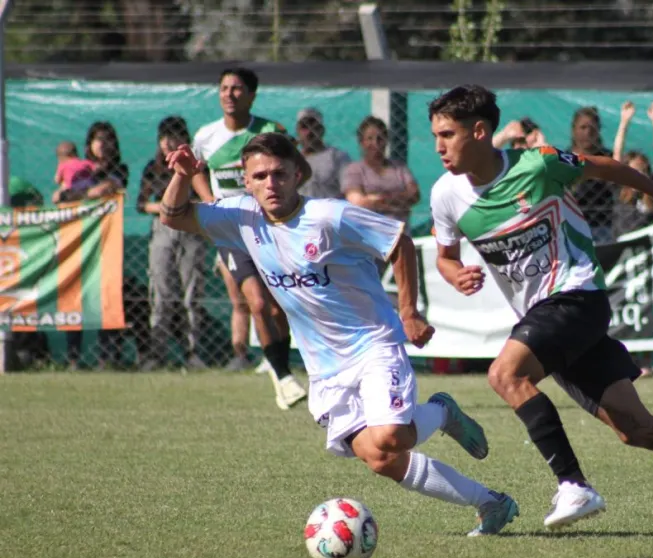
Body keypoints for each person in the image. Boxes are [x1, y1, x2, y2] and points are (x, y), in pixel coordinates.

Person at [427, 85, 653, 540]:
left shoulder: (539, 165)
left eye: (447, 134)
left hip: (578, 296)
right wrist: (455, 274)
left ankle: (573, 485)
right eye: (435, 136)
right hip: (546, 317)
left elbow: (609, 167)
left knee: (505, 375)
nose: (438, 146)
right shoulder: (445, 195)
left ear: (479, 132)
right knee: (638, 430)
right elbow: (445, 257)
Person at [158, 132, 519, 537]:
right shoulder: (240, 217)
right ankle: (491, 502)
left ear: (297, 175)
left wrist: (408, 312)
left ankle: (440, 413)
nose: (271, 184)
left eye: (279, 174)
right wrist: (183, 176)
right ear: (246, 181)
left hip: (373, 343)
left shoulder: (329, 216)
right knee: (381, 459)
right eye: (259, 176)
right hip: (325, 367)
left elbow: (399, 242)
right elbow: (173, 215)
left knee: (392, 436)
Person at [190, 67, 307, 409]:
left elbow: (303, 170)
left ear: (252, 95)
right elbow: (195, 171)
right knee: (255, 303)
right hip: (232, 232)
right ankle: (283, 376)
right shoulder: (206, 136)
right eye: (224, 88)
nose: (229, 94)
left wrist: (277, 198)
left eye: (237, 88)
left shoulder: (271, 132)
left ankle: (280, 364)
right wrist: (210, 201)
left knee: (279, 305)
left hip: (270, 231)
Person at [138, 116, 210, 371]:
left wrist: (184, 208)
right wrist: (167, 207)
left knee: (192, 294)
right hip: (163, 229)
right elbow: (141, 203)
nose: (168, 142)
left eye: (174, 137)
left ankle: (193, 352)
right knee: (161, 293)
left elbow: (207, 198)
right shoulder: (154, 168)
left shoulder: (197, 165)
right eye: (163, 138)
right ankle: (158, 353)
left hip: (191, 229)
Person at [62, 122, 131, 369]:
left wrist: (80, 192)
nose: (103, 144)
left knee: (108, 297)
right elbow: (62, 196)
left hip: (107, 240)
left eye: (107, 139)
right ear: (89, 144)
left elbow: (112, 186)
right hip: (79, 239)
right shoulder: (79, 168)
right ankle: (73, 358)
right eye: (98, 139)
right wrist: (85, 192)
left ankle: (108, 357)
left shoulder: (119, 169)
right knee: (74, 295)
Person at [342, 116, 420, 226]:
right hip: (369, 230)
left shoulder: (399, 168)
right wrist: (399, 202)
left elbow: (414, 195)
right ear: (361, 142)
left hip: (400, 229)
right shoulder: (354, 170)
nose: (375, 143)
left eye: (380, 138)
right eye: (370, 138)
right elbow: (358, 203)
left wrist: (377, 199)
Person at [611, 100, 653, 238]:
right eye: (634, 171)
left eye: (644, 171)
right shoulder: (619, 188)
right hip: (623, 244)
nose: (640, 175)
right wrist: (624, 121)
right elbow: (617, 153)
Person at [568, 106, 616, 244]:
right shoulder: (564, 159)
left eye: (592, 128)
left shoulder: (607, 158)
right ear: (574, 130)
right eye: (583, 127)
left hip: (603, 226)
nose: (587, 132)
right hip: (571, 225)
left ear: (598, 130)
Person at [296, 107, 352, 200]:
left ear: (322, 130)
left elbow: (350, 191)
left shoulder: (337, 157)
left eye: (314, 126)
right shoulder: (292, 161)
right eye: (304, 127)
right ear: (298, 131)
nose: (309, 132)